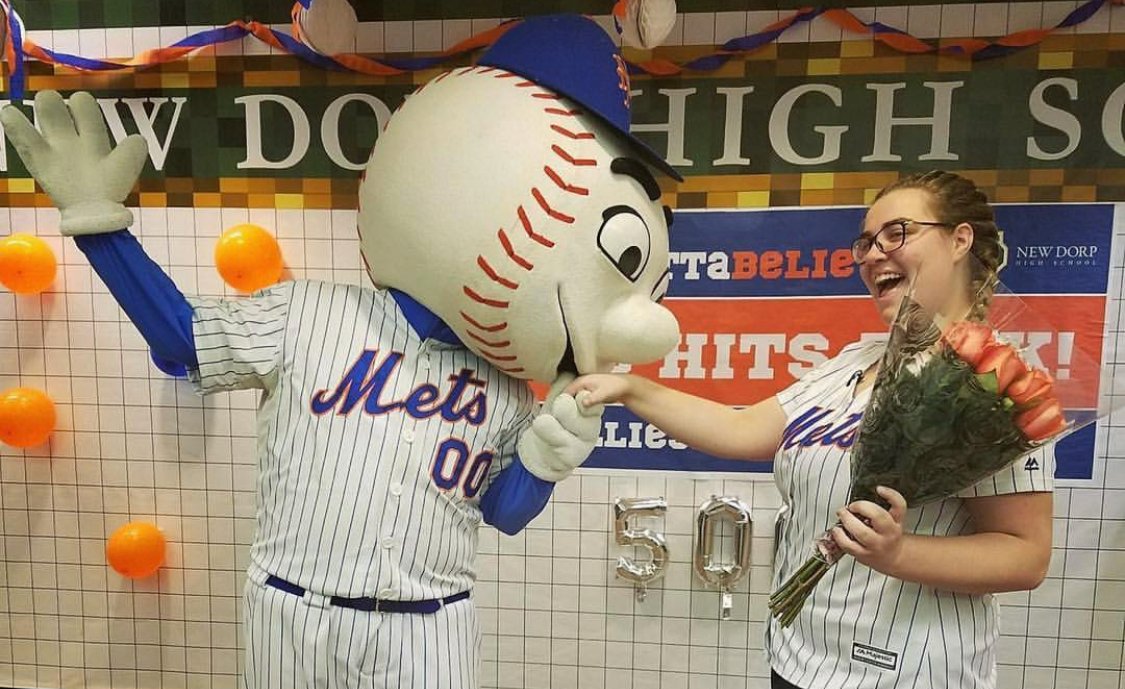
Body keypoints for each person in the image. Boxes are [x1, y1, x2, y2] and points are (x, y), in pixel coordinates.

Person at [568, 170, 1053, 689]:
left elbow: (1025, 554)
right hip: (801, 655)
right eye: (865, 242)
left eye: (898, 233)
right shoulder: (857, 360)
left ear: (960, 240)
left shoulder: (1000, 384)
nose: (872, 254)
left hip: (907, 671)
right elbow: (741, 428)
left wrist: (898, 553)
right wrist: (630, 390)